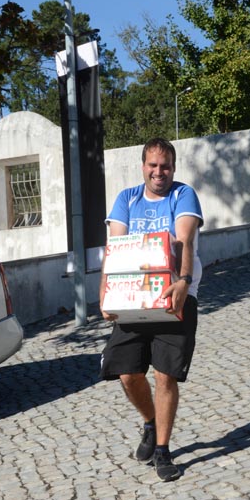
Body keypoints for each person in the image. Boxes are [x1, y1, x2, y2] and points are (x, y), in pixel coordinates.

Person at [100, 137, 204, 482]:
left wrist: (184, 281)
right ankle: (150, 422)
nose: (159, 172)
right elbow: (115, 246)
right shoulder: (127, 199)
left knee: (164, 374)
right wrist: (105, 293)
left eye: (165, 166)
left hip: (175, 296)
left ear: (173, 168)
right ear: (143, 166)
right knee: (127, 373)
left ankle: (162, 450)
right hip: (133, 297)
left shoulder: (182, 194)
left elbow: (184, 240)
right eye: (153, 165)